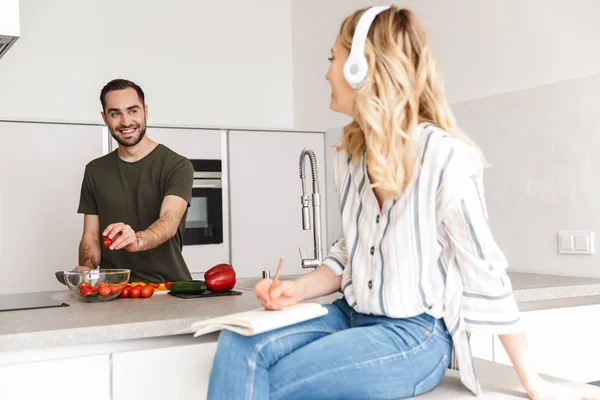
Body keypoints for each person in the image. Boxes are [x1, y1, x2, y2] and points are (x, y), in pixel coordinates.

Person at [205, 6, 599, 400]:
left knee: (278, 379)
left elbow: (485, 271)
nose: (327, 72)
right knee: (238, 345)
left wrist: (534, 383)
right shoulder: (351, 155)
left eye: (333, 58)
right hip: (348, 314)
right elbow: (349, 251)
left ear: (361, 67)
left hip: (414, 334)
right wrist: (299, 289)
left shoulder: (445, 156)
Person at [75, 79, 194, 283]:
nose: (125, 122)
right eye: (115, 113)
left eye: (132, 111)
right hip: (112, 290)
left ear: (145, 112)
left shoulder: (177, 165)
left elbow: (169, 221)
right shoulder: (95, 170)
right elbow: (91, 236)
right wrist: (87, 267)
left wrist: (137, 240)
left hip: (168, 289)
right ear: (105, 118)